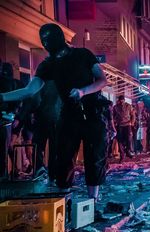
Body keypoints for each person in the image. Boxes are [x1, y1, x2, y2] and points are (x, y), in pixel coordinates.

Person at [0, 23, 108, 200]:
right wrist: (3, 97)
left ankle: (93, 200)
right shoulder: (48, 65)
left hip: (93, 111)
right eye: (43, 40)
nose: (46, 43)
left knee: (94, 156)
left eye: (48, 39)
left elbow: (102, 80)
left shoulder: (83, 55)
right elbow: (30, 90)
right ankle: (64, 198)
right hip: (69, 113)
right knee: (63, 156)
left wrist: (83, 91)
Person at [0, 62, 23, 179]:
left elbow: (18, 100)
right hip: (8, 119)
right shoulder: (12, 82)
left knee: (7, 147)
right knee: (7, 147)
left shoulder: (10, 82)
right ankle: (11, 172)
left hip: (6, 120)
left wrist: (14, 115)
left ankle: (8, 174)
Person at [113, 95, 134, 162]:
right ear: (118, 101)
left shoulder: (129, 106)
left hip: (127, 124)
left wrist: (132, 122)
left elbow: (133, 115)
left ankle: (128, 151)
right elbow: (113, 116)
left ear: (124, 100)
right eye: (120, 100)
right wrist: (114, 122)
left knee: (129, 138)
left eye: (123, 100)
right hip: (120, 125)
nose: (121, 102)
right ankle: (122, 156)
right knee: (120, 141)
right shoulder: (115, 107)